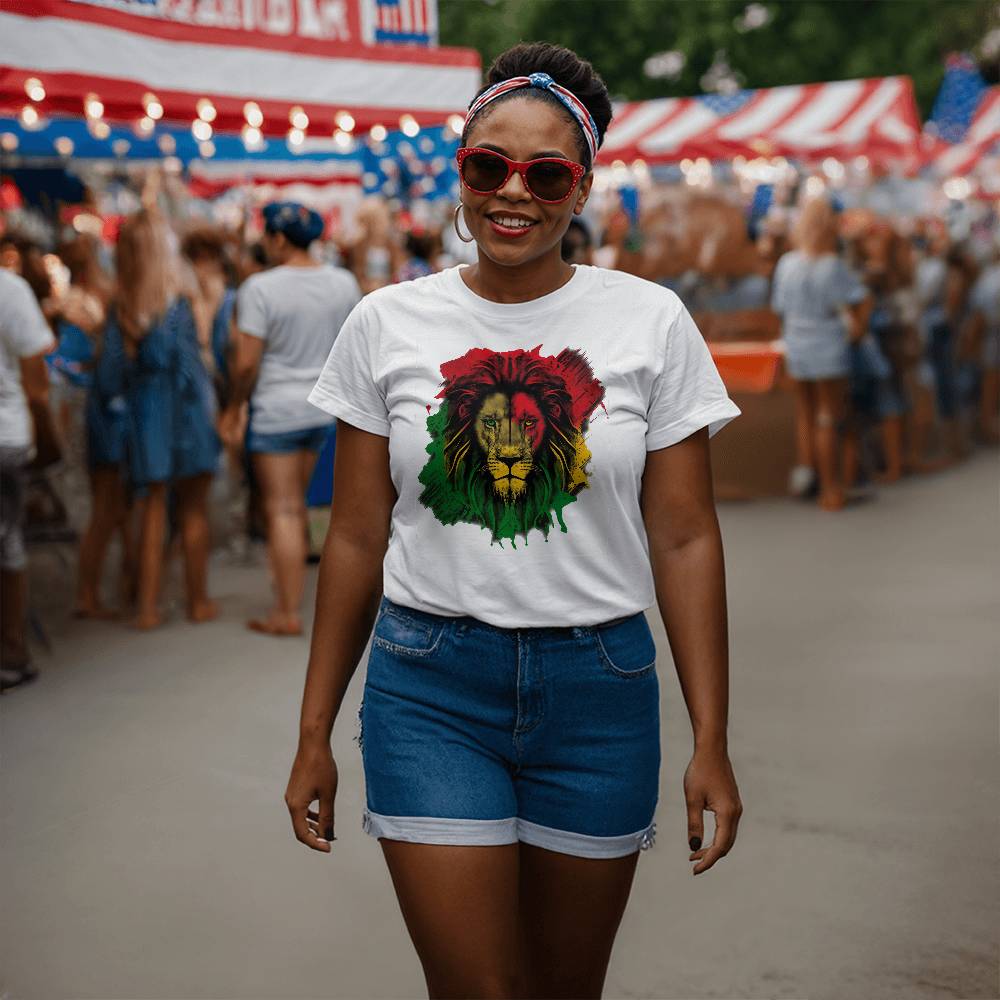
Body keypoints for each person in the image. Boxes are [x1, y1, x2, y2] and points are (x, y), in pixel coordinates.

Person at [286, 42, 744, 999]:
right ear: (461, 171)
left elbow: (687, 536)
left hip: (601, 692)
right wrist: (313, 728)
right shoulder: (384, 322)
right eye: (488, 165)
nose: (514, 193)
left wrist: (712, 737)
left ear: (581, 187)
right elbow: (359, 536)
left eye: (546, 173)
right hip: (429, 691)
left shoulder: (650, 321)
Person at [220, 202, 361, 636]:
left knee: (282, 510)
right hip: (325, 408)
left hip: (276, 411)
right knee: (311, 509)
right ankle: (312, 602)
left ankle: (285, 611)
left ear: (278, 238)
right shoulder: (343, 282)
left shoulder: (259, 288)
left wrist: (233, 406)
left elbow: (245, 363)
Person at [99, 208, 220, 629]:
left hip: (146, 413)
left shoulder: (122, 304)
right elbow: (191, 367)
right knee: (193, 509)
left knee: (149, 508)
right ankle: (197, 601)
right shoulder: (181, 302)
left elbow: (110, 375)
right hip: (185, 412)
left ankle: (146, 606)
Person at [771, 197, 869, 510]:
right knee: (829, 415)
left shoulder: (787, 263)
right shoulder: (832, 265)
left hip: (797, 343)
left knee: (805, 413)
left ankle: (808, 476)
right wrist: (857, 329)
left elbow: (779, 308)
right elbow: (861, 299)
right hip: (827, 345)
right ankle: (832, 487)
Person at [0, 267, 56, 691]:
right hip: (5, 435)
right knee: (8, 544)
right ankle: (12, 652)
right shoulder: (9, 289)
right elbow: (37, 383)